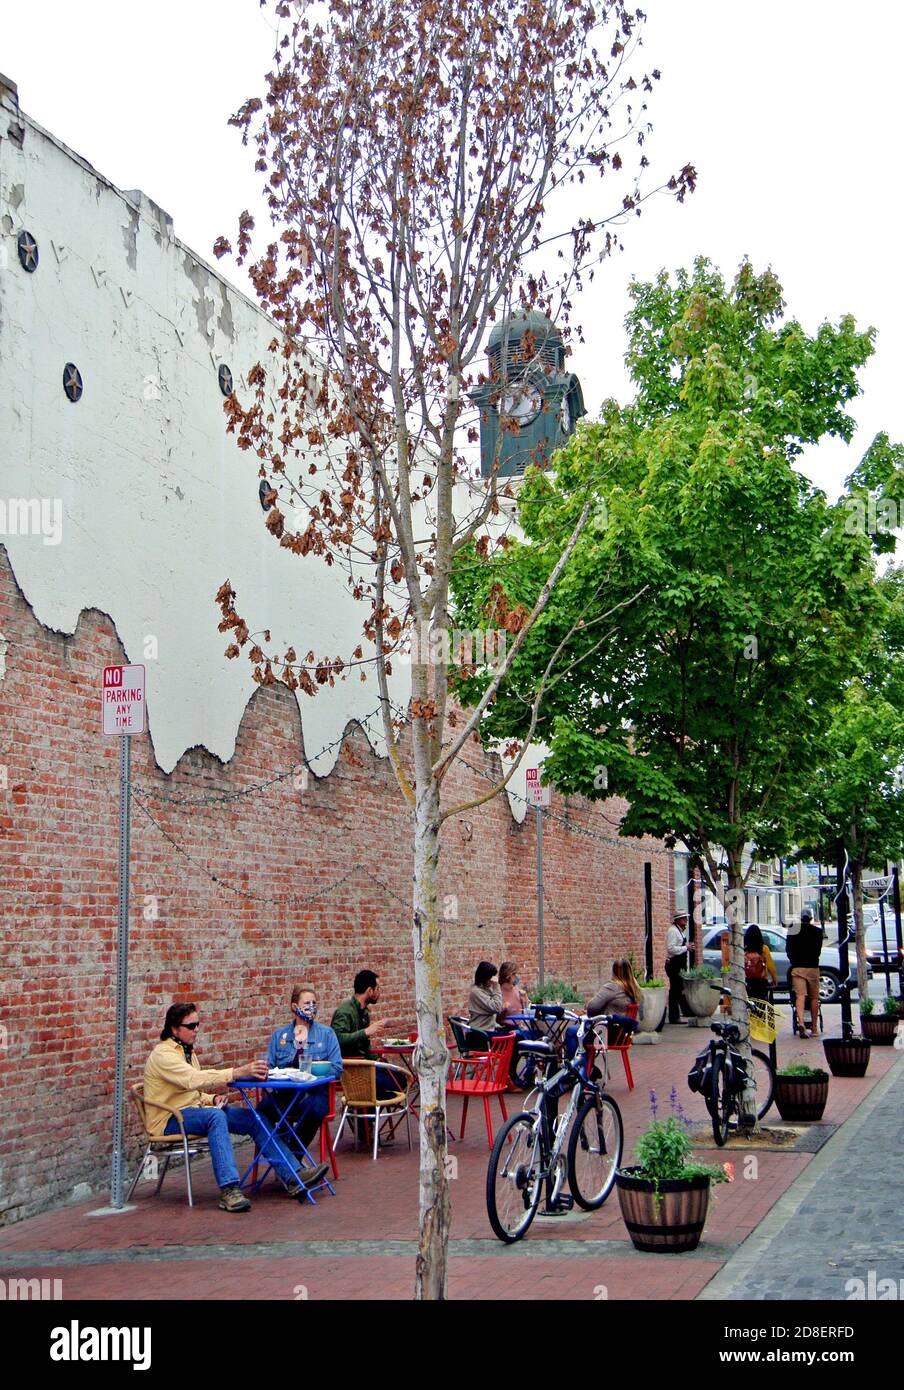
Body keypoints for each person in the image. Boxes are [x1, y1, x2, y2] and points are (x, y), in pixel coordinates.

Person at [143, 1003, 327, 1212]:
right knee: (215, 1118)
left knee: (253, 1118)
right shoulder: (164, 1055)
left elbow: (190, 1092)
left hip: (194, 1111)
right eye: (191, 1025)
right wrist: (237, 1072)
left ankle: (294, 1175)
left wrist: (212, 1099)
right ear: (175, 1029)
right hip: (169, 1120)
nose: (196, 1030)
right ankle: (229, 1189)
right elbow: (192, 1079)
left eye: (198, 1024)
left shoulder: (186, 1051)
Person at [262, 983, 342, 1164]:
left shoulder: (326, 1034)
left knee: (315, 1109)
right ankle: (281, 1154)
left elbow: (337, 1070)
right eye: (307, 1003)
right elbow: (269, 1067)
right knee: (260, 1112)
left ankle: (290, 1158)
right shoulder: (279, 1036)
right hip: (286, 1094)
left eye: (314, 1002)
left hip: (315, 1093)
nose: (311, 1007)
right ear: (294, 1007)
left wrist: (309, 1070)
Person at [331, 969, 407, 1099]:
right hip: (349, 1070)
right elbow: (336, 1039)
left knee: (400, 1078)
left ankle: (364, 1114)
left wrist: (376, 1058)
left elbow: (364, 1047)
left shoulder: (364, 1013)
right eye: (378, 988)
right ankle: (362, 1112)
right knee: (392, 1082)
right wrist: (365, 1032)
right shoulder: (344, 1011)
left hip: (363, 1066)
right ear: (369, 991)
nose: (379, 992)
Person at [787, 909, 824, 1037]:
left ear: (801, 918)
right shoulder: (818, 932)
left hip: (798, 967)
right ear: (811, 918)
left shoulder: (793, 929)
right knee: (814, 998)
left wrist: (794, 960)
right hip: (813, 966)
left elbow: (788, 950)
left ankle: (801, 1022)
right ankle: (814, 1028)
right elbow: (818, 950)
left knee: (800, 996)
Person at [743, 924, 778, 1002]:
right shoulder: (764, 949)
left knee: (750, 1002)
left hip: (747, 981)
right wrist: (775, 979)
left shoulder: (743, 950)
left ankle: (751, 1014)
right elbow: (770, 966)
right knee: (761, 1003)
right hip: (761, 981)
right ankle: (760, 1014)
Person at [665, 911, 689, 1023]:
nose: (686, 920)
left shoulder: (679, 931)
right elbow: (671, 949)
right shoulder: (673, 931)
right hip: (675, 964)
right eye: (684, 918)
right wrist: (686, 948)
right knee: (675, 990)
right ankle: (674, 1017)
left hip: (679, 964)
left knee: (678, 989)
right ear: (678, 920)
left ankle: (681, 1012)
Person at [468, 960, 505, 1033]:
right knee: (515, 1037)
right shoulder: (476, 992)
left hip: (489, 1029)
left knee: (515, 1033)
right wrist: (496, 987)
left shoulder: (487, 990)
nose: (492, 980)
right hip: (480, 1032)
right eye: (490, 977)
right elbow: (496, 1008)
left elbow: (487, 1012)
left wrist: (495, 1024)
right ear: (485, 977)